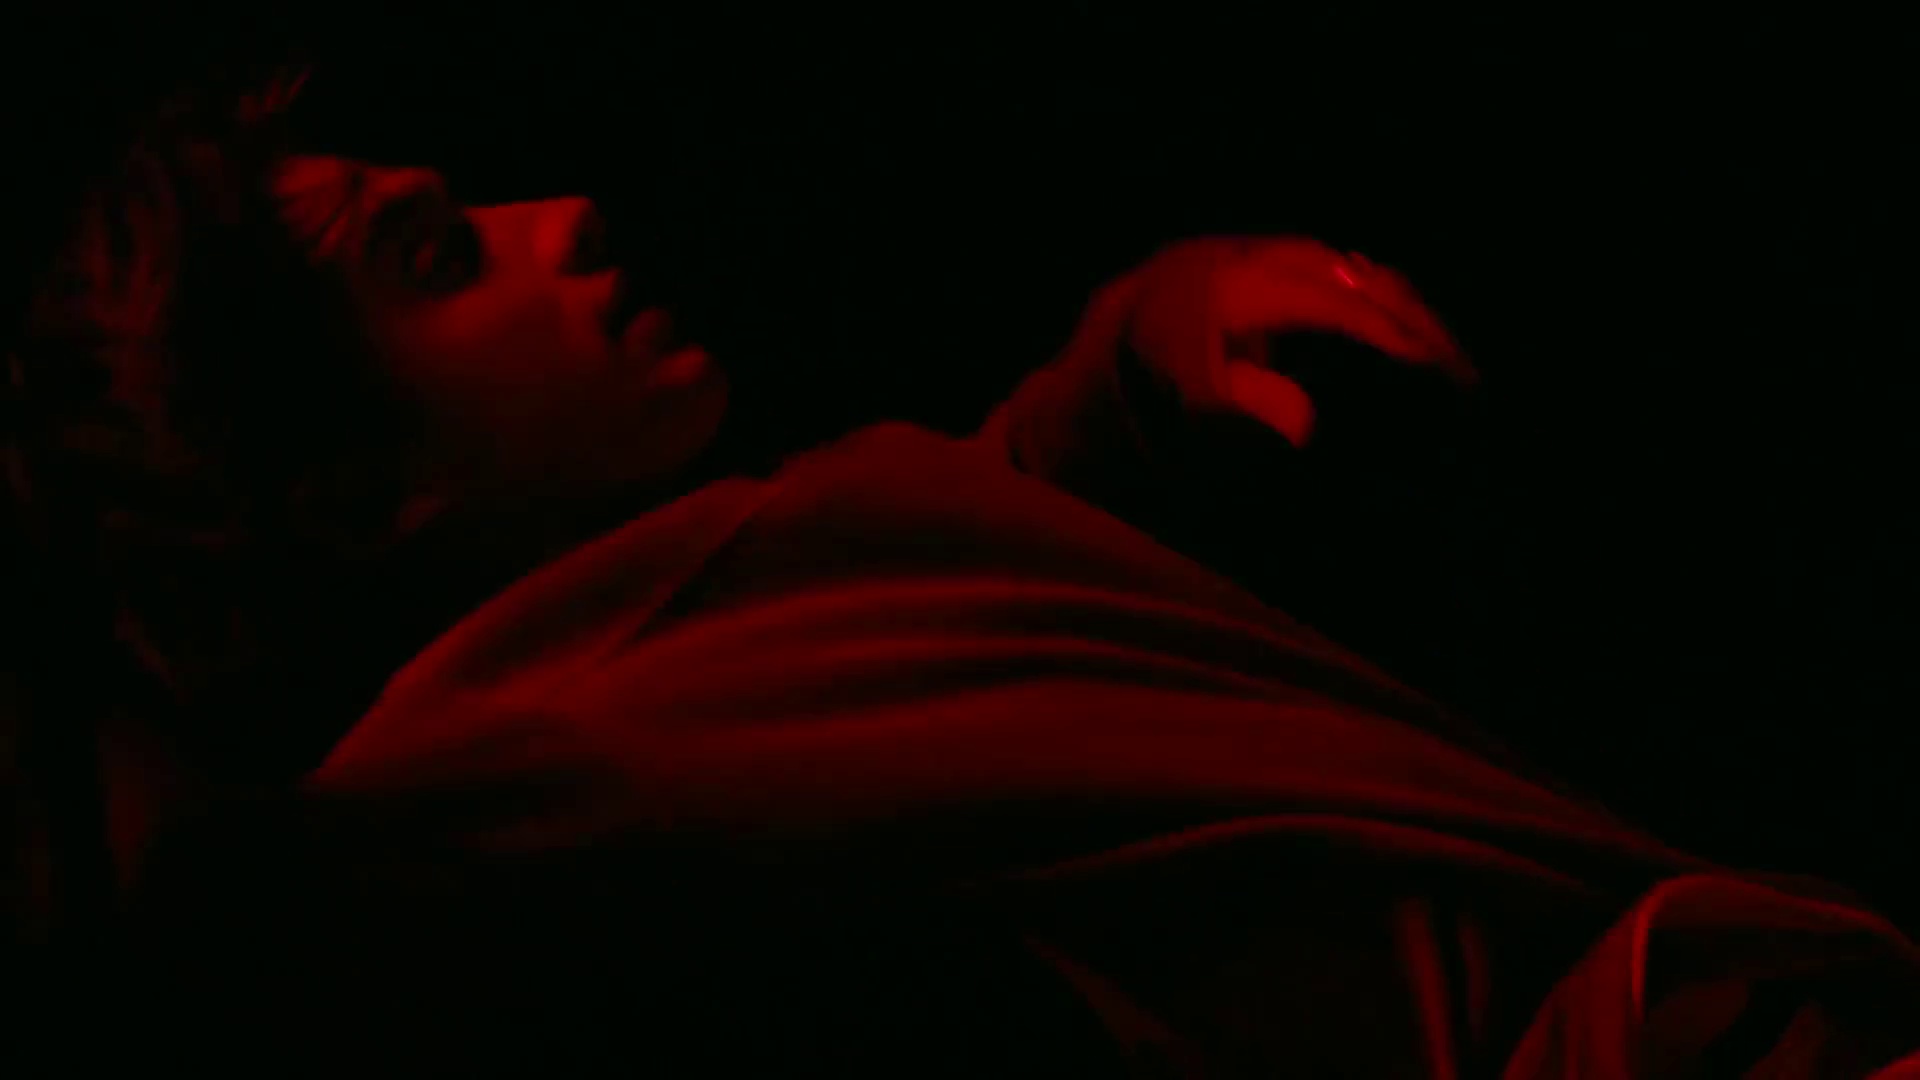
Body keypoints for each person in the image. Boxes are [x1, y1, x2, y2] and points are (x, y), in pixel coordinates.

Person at [8, 68, 1920, 1077]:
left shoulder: (694, 594)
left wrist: (1147, 350)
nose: (556, 215)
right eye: (437, 261)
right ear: (353, 497)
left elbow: (934, 583)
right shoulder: (503, 785)